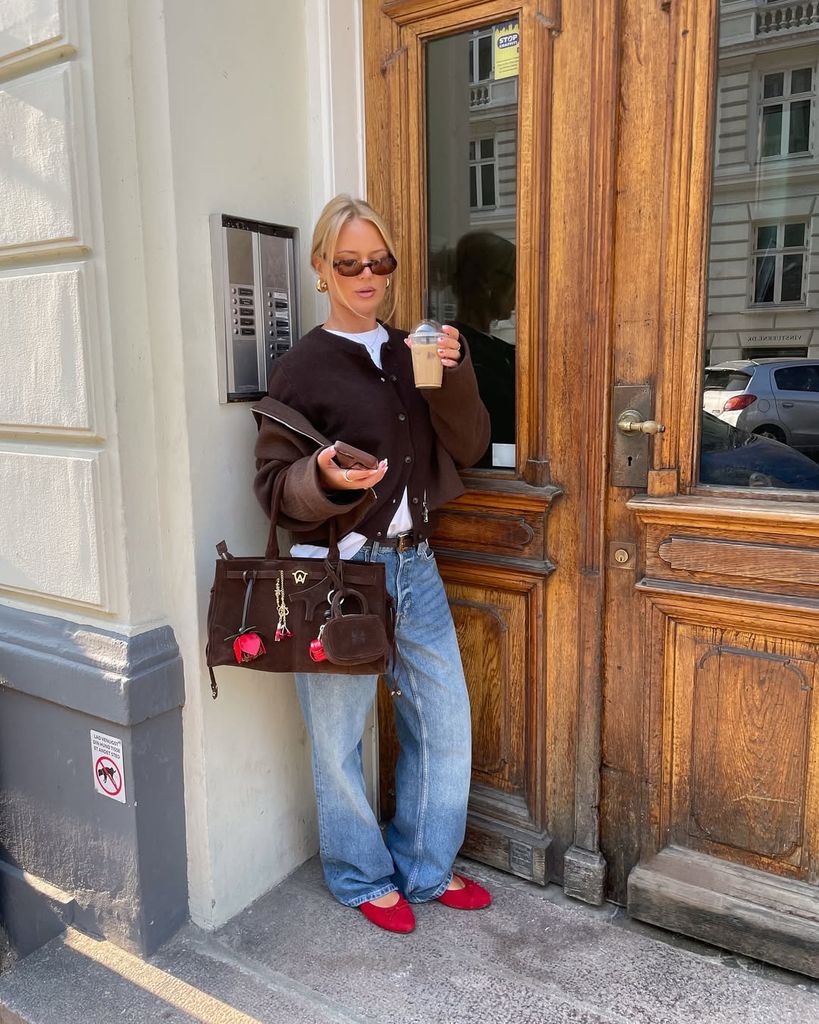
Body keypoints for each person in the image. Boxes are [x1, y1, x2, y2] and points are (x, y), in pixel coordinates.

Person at [252, 195, 491, 934]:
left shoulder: (414, 348)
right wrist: (323, 476)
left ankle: (424, 866)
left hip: (415, 567)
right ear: (321, 268)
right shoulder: (301, 368)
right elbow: (272, 486)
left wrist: (449, 372)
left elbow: (471, 443)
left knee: (444, 724)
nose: (366, 274)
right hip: (338, 580)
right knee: (337, 737)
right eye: (348, 262)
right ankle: (360, 875)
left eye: (378, 262)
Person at [450, 231, 516, 467]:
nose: (517, 292)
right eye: (512, 280)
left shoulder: (501, 350)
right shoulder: (456, 351)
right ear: (489, 283)